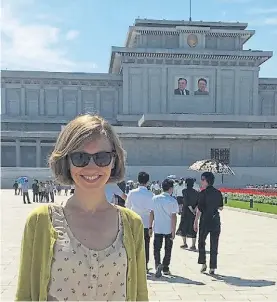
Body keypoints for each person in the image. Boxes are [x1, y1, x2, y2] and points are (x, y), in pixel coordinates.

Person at [15, 114, 148, 301]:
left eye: (102, 157)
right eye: (80, 157)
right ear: (66, 161)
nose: (91, 167)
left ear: (114, 160)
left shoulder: (131, 224)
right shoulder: (41, 222)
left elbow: (140, 295)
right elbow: (25, 294)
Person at [194, 172, 223, 275]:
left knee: (201, 241)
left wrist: (195, 221)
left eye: (202, 179)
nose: (201, 181)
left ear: (207, 181)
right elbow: (221, 207)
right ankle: (212, 267)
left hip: (205, 221)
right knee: (214, 244)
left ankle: (203, 263)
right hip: (215, 220)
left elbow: (199, 210)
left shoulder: (202, 193)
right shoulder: (218, 193)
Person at [149, 179, 179, 278]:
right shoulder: (172, 201)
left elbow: (151, 213)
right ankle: (165, 267)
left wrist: (150, 227)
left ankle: (158, 264)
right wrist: (174, 231)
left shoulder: (155, 199)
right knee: (168, 248)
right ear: (170, 189)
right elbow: (174, 217)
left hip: (157, 227)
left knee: (157, 248)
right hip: (168, 228)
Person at [126, 172, 154, 272]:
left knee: (133, 244)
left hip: (133, 222)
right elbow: (152, 212)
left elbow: (127, 208)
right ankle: (145, 265)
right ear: (147, 182)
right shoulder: (151, 194)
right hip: (146, 223)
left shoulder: (132, 193)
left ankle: (133, 264)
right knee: (146, 244)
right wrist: (151, 227)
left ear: (138, 181)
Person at [178, 178, 199, 250]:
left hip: (186, 211)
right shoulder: (197, 192)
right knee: (193, 227)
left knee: (183, 227)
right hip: (193, 213)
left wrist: (191, 210)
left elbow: (186, 202)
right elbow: (198, 203)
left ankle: (184, 243)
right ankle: (193, 245)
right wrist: (194, 210)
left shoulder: (184, 191)